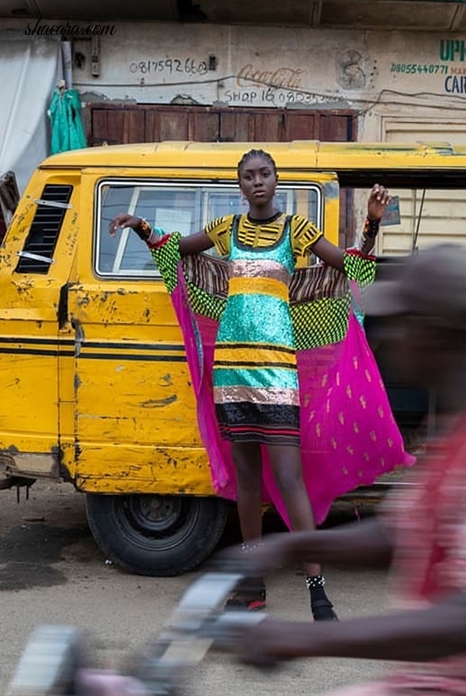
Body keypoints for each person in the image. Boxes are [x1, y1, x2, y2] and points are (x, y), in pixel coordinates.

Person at [222, 243, 466, 695]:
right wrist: (286, 546)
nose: (386, 339)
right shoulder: (457, 430)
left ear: (438, 333)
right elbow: (401, 533)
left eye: (400, 324)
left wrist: (302, 637)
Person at [109, 149, 413, 621]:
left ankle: (317, 591)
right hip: (231, 370)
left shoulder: (298, 230)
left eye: (264, 174)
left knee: (290, 480)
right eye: (248, 176)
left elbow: (349, 267)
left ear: (276, 180)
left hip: (277, 374)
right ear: (240, 185)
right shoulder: (225, 229)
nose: (257, 182)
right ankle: (252, 586)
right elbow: (175, 254)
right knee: (248, 482)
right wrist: (142, 227)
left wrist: (372, 226)